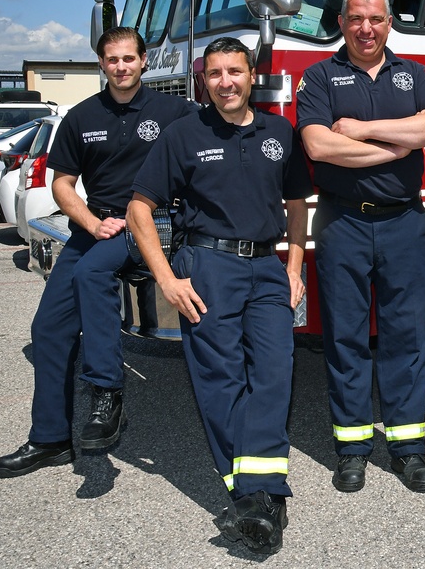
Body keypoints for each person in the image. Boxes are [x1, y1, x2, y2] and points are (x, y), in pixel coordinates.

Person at [126, 37, 311, 555]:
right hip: (207, 268)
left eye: (234, 71)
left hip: (267, 267)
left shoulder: (280, 131)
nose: (225, 82)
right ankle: (258, 497)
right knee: (221, 381)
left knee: (275, 374)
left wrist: (293, 268)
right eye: (214, 74)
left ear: (253, 75)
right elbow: (141, 209)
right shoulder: (183, 135)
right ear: (202, 81)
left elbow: (296, 204)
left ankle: (255, 496)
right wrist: (166, 279)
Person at [0, 27, 193, 479]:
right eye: (111, 60)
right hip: (100, 226)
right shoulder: (81, 117)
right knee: (48, 328)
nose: (121, 67)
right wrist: (91, 223)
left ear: (144, 61)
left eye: (128, 58)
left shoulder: (176, 111)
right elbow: (61, 184)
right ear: (101, 64)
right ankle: (49, 439)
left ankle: (107, 393)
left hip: (155, 224)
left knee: (91, 277)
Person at [297, 0, 425, 494]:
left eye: (377, 19)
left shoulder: (413, 74)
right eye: (357, 18)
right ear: (341, 23)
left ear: (389, 23)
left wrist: (362, 132)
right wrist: (396, 147)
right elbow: (319, 146)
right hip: (342, 223)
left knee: (406, 337)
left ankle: (408, 448)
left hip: (403, 221)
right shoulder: (319, 76)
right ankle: (352, 449)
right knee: (345, 338)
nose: (367, 28)